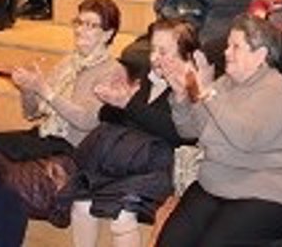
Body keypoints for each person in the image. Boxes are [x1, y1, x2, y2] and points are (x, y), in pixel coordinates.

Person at [0, 0, 124, 247]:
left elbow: (86, 121)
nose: (81, 30)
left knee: (14, 176)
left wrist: (44, 90)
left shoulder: (113, 71)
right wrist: (27, 89)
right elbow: (32, 113)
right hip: (47, 138)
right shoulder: (69, 62)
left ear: (108, 33)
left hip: (77, 150)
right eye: (79, 22)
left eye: (91, 25)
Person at [159, 15, 282, 246]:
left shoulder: (277, 90)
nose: (226, 53)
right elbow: (189, 131)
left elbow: (246, 138)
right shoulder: (225, 84)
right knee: (171, 241)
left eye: (236, 47)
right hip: (220, 182)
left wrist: (207, 94)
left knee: (214, 242)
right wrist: (182, 97)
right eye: (228, 46)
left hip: (271, 191)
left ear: (260, 55)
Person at [66, 18, 195, 247]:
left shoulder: (189, 87)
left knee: (122, 215)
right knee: (82, 204)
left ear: (185, 55)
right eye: (153, 49)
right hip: (126, 158)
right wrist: (112, 101)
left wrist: (128, 103)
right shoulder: (148, 77)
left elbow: (178, 134)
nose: (155, 57)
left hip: (158, 165)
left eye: (164, 51)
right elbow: (117, 118)